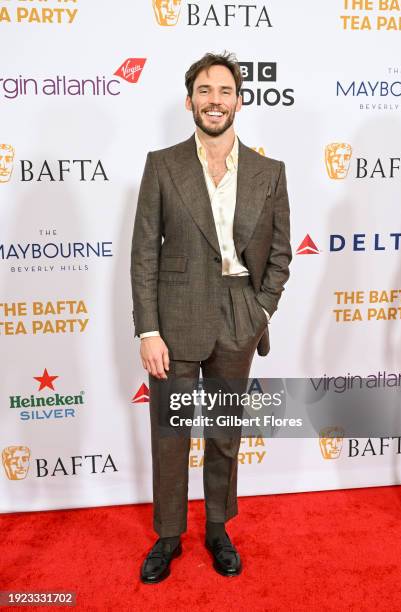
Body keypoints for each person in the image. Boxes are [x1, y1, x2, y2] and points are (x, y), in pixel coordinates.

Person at [130, 51, 292, 583]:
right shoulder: (162, 163)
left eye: (224, 91)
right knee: (172, 432)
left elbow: (280, 254)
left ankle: (218, 527)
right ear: (189, 101)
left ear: (240, 101)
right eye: (204, 90)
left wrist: (260, 309)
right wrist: (148, 329)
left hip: (239, 314)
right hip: (174, 317)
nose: (214, 100)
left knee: (225, 430)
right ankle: (169, 535)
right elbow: (144, 254)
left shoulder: (270, 172)